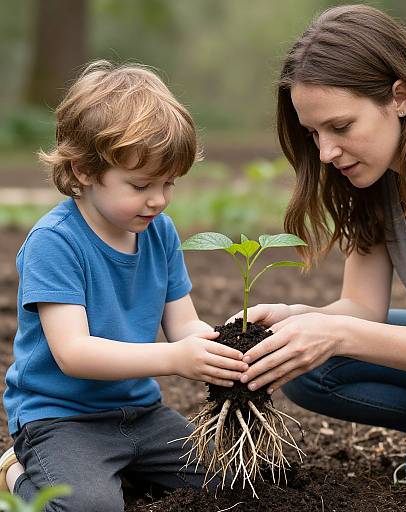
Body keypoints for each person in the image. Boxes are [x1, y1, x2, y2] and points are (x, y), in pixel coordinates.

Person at [229, 5, 406, 512]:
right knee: (303, 362)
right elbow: (361, 309)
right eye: (314, 133)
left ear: (399, 97)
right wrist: (299, 321)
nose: (326, 153)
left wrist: (334, 332)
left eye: (340, 126)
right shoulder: (378, 176)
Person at [0, 60, 248, 511]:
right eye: (140, 184)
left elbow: (184, 324)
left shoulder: (160, 232)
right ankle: (16, 473)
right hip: (61, 420)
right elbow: (73, 353)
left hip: (142, 415)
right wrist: (176, 359)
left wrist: (221, 348)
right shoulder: (55, 243)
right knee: (90, 508)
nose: (158, 199)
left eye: (168, 183)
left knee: (235, 481)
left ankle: (121, 471)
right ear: (82, 171)